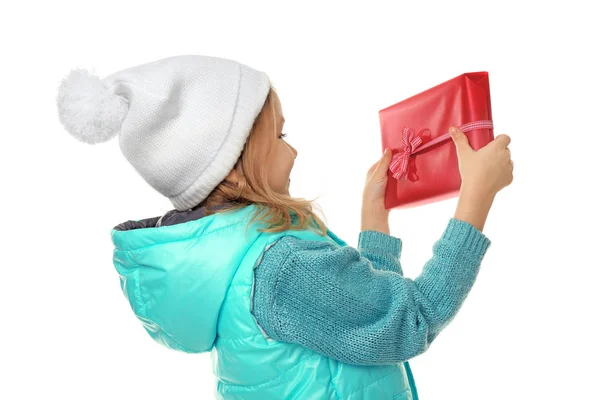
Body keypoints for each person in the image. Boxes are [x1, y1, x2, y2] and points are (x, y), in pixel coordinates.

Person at [56, 55, 513, 400]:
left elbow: (364, 322)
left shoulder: (245, 260)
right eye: (278, 137)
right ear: (231, 169)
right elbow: (411, 319)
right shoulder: (283, 266)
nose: (291, 153)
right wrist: (476, 199)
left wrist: (374, 221)